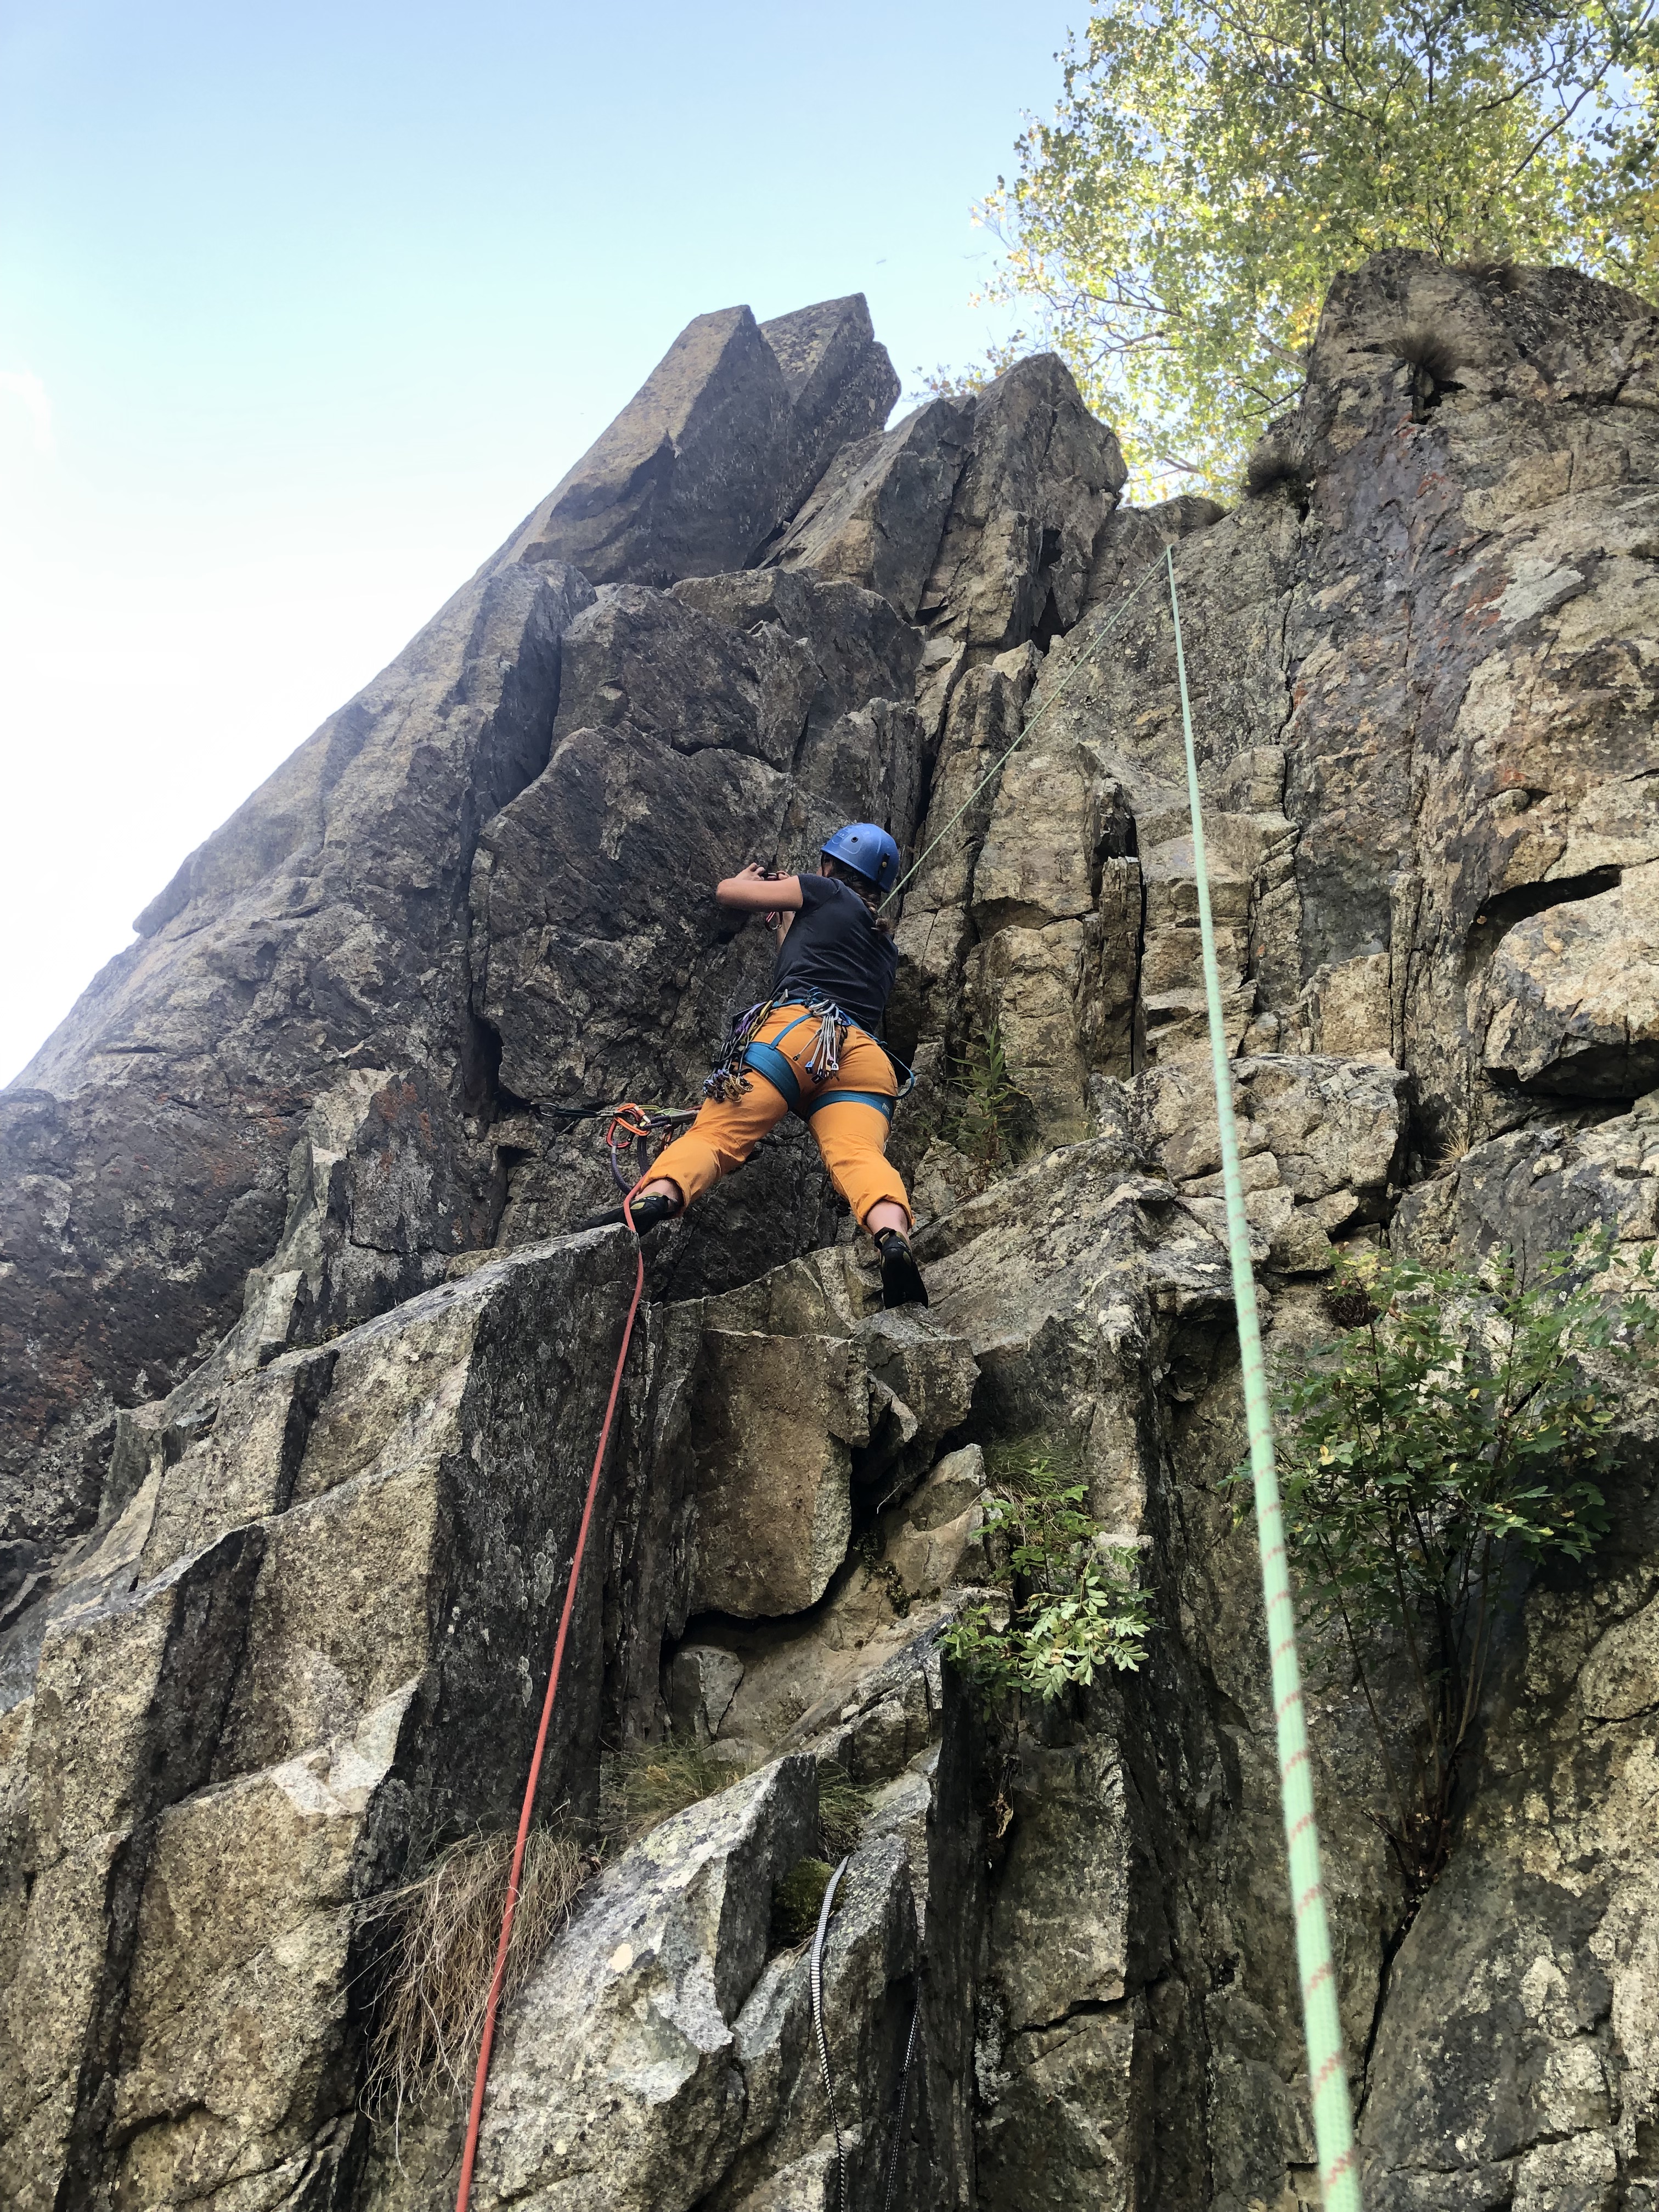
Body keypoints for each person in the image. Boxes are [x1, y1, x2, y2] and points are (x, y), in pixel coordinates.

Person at [590, 822, 927, 1308]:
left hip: (800, 1032)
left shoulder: (823, 890)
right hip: (865, 1061)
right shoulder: (886, 949)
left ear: (830, 866)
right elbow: (801, 958)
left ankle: (657, 1197)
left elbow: (728, 893)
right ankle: (893, 1238)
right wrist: (785, 921)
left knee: (716, 1136)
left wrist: (748, 881)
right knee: (859, 1155)